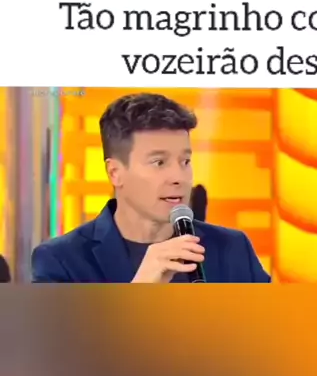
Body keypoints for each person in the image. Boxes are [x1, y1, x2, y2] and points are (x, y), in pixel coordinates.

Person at [31, 93, 271, 284]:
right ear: (115, 173)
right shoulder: (62, 261)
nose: (178, 177)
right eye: (159, 162)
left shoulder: (232, 249)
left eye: (185, 161)